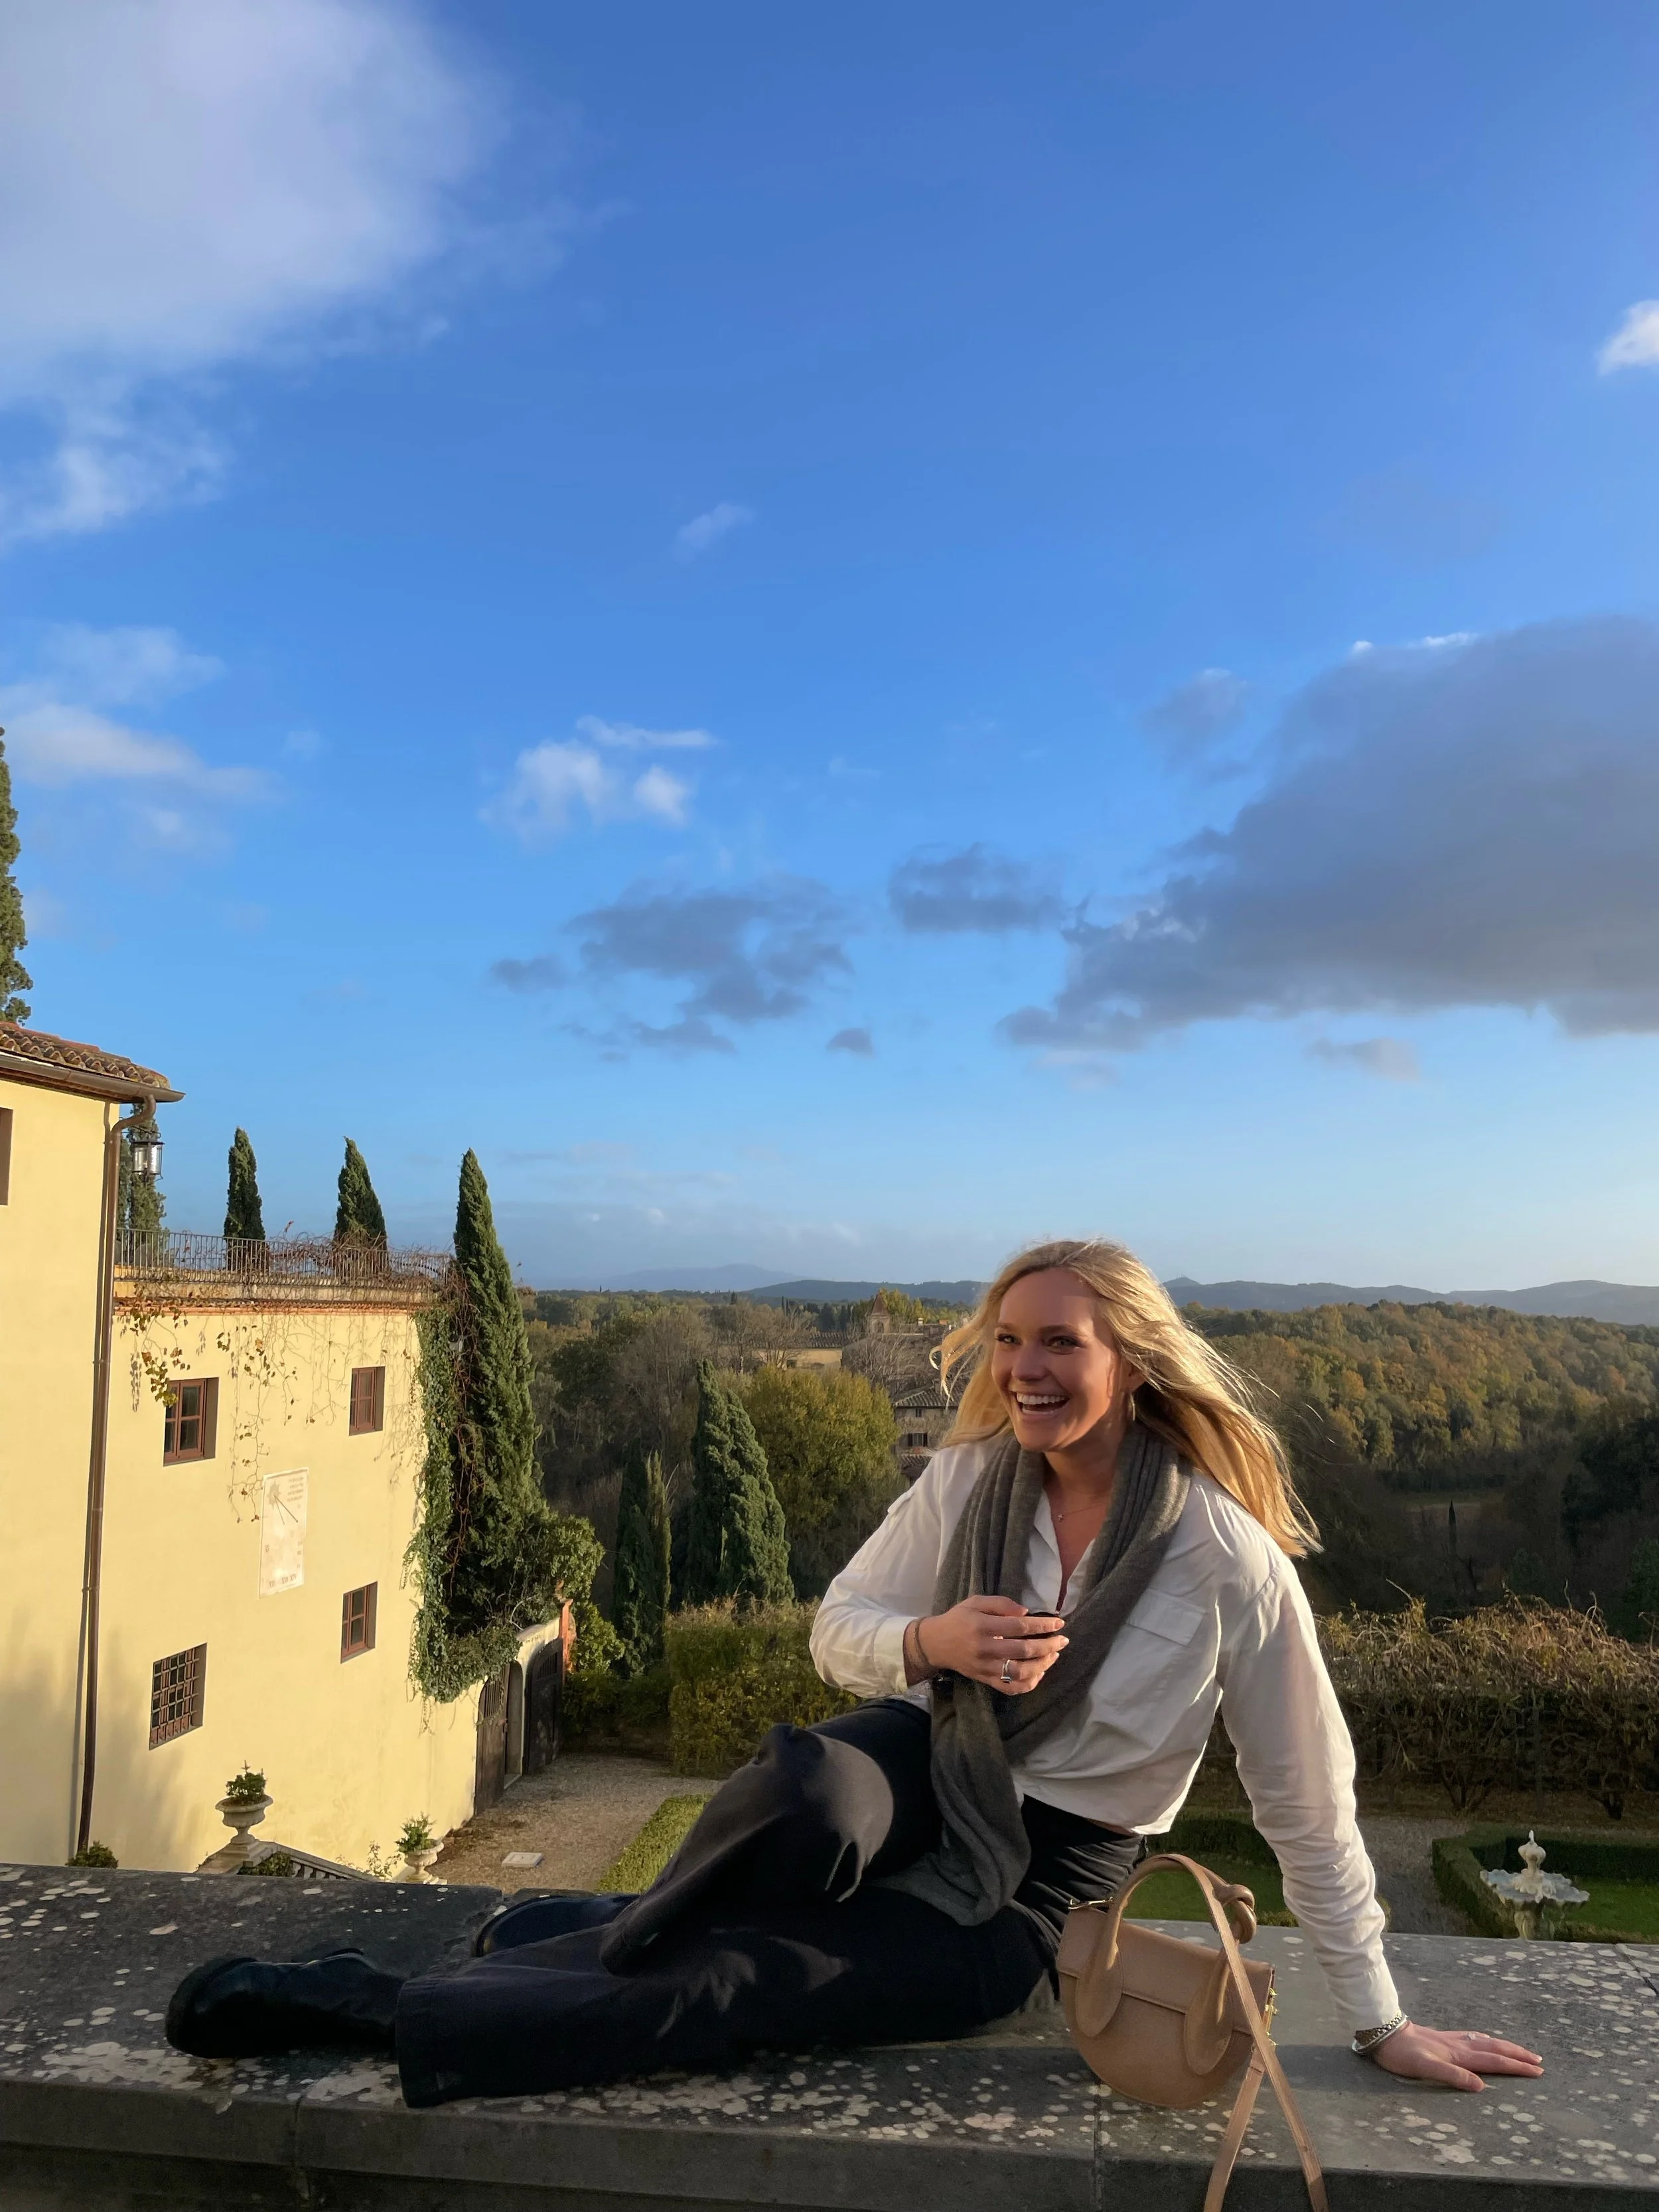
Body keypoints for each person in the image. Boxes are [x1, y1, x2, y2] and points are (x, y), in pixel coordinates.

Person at [167, 1238, 1543, 2108]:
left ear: (1131, 1361)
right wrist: (929, 1644)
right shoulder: (967, 1482)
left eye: (1057, 1341)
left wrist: (1377, 2021)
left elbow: (1308, 1802)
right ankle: (576, 1927)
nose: (1022, 1370)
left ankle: (379, 1997)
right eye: (1006, 1340)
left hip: (1042, 1874)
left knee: (748, 1983)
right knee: (804, 1785)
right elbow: (836, 1624)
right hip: (923, 1753)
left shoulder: (1223, 1561)